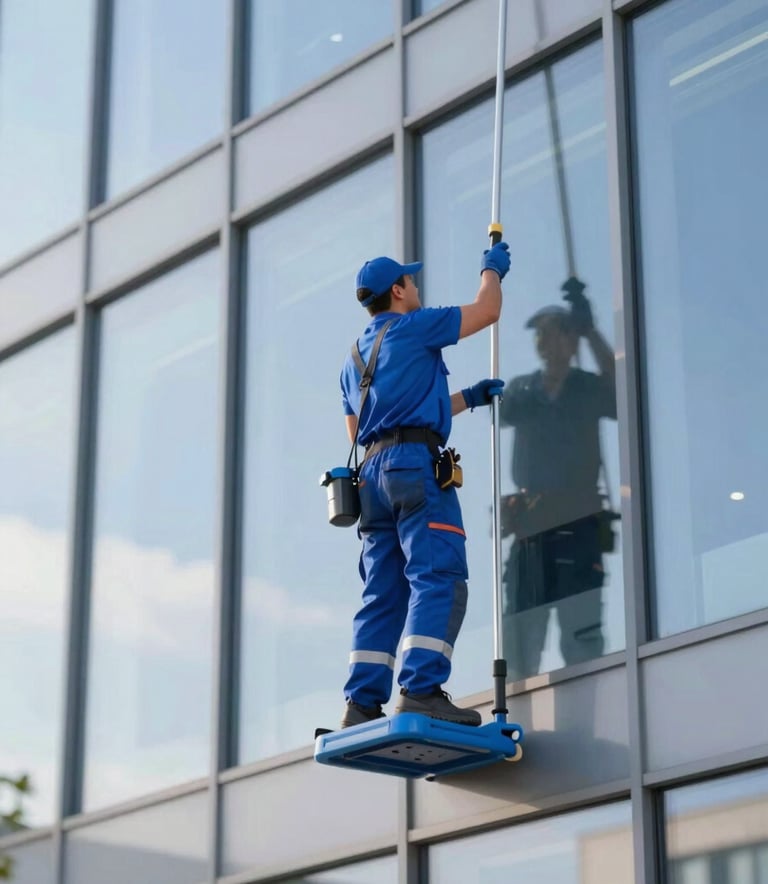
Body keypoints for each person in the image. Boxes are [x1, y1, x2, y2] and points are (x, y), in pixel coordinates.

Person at [339, 242, 511, 729]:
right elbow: (487, 311)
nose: (416, 286)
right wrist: (490, 270)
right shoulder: (416, 326)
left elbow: (366, 430)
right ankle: (421, 690)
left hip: (371, 477)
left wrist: (466, 399)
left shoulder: (352, 360)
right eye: (411, 281)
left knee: (383, 591)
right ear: (397, 291)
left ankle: (360, 704)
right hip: (414, 468)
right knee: (437, 575)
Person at [499, 277, 618, 680]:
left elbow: (621, 387)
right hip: (532, 528)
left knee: (581, 637)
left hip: (579, 524)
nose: (544, 342)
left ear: (570, 341)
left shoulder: (586, 389)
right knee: (520, 638)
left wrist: (591, 331)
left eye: (553, 334)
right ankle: (516, 717)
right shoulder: (522, 389)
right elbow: (505, 412)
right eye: (540, 336)